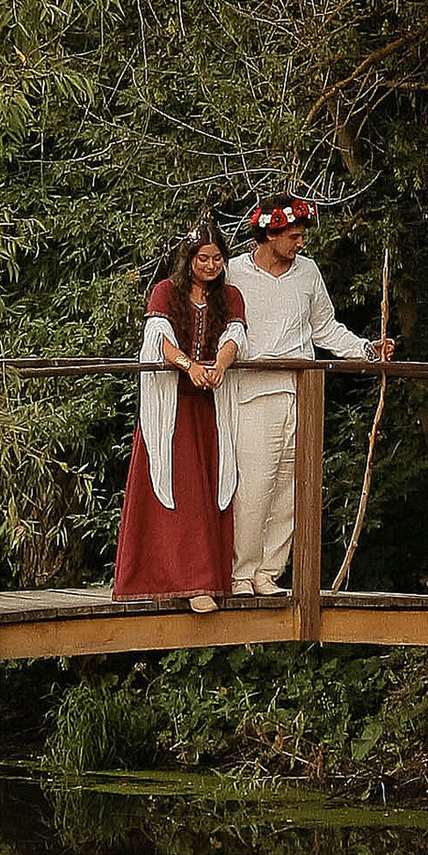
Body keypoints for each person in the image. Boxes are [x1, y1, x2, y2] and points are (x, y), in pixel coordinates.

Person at [223, 193, 393, 598]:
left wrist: (366, 349)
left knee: (290, 487)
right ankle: (240, 574)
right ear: (268, 234)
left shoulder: (308, 272)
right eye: (293, 236)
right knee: (253, 487)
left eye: (302, 236)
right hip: (254, 391)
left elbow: (326, 327)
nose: (300, 243)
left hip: (303, 391)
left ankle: (269, 572)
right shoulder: (234, 274)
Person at [113, 218, 244, 612]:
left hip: (210, 406)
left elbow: (234, 337)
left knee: (206, 490)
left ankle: (206, 581)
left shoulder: (230, 296)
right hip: (174, 404)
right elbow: (159, 338)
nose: (210, 266)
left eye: (217, 258)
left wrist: (218, 367)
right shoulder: (166, 292)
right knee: (179, 486)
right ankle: (176, 580)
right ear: (189, 259)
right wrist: (189, 367)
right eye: (203, 258)